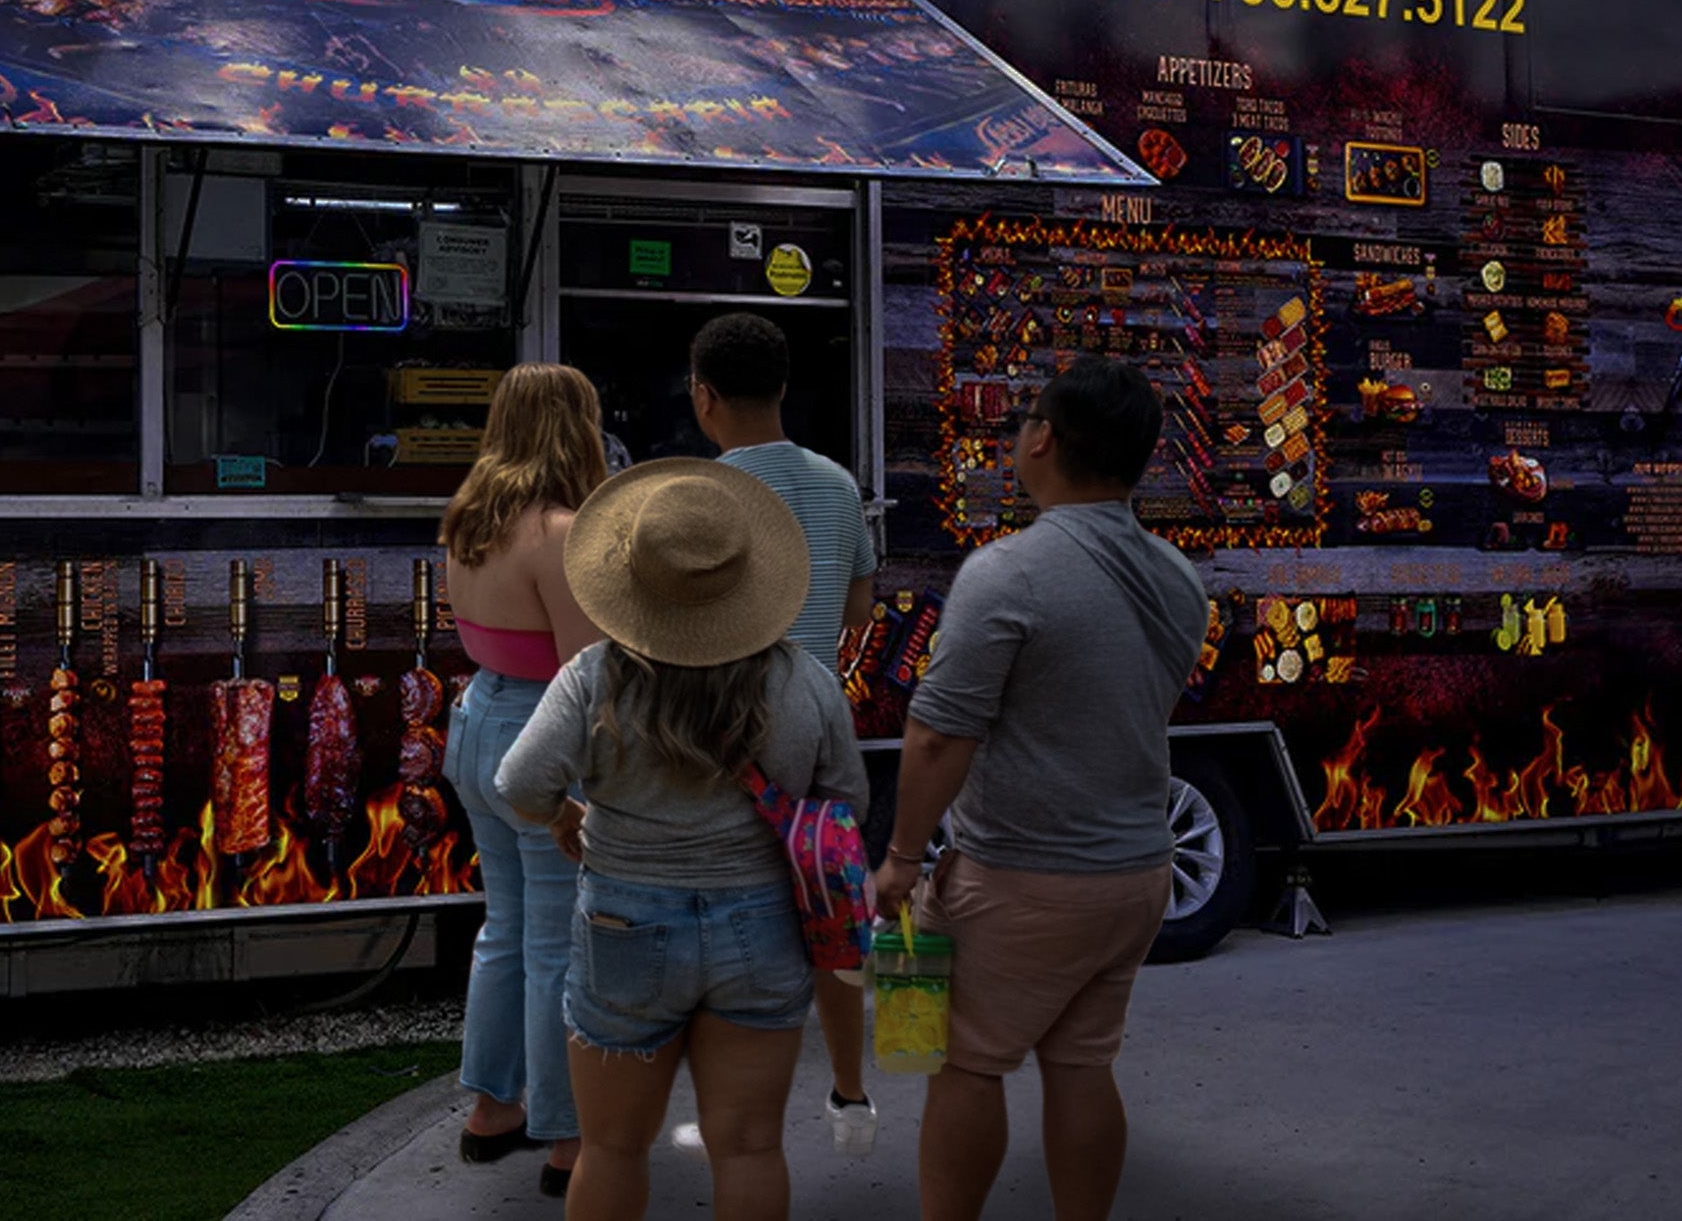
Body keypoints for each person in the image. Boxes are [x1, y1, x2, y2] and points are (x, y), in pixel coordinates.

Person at [872, 355, 1209, 1221]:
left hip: (1026, 879)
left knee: (970, 1063)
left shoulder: (1007, 571)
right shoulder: (1178, 575)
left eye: (1020, 422)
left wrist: (903, 858)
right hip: (1137, 874)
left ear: (1043, 440)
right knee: (1083, 1063)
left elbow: (941, 732)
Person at [498, 459, 867, 1221]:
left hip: (623, 928)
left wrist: (567, 818)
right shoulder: (804, 682)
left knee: (609, 1148)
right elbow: (846, 804)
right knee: (752, 1148)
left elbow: (519, 782)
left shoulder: (593, 678)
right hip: (764, 928)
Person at [679, 311, 881, 1157]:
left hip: (732, 726)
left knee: (731, 912)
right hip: (821, 716)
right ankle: (849, 1097)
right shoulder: (837, 485)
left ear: (704, 397)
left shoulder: (697, 495)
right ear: (786, 389)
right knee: (829, 903)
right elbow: (860, 611)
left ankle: (733, 1107)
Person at [438, 362, 611, 1199]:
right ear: (577, 428)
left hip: (474, 719)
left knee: (501, 928)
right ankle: (568, 1135)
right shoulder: (564, 531)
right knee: (554, 942)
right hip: (540, 728)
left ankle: (489, 1108)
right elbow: (586, 672)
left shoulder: (467, 520)